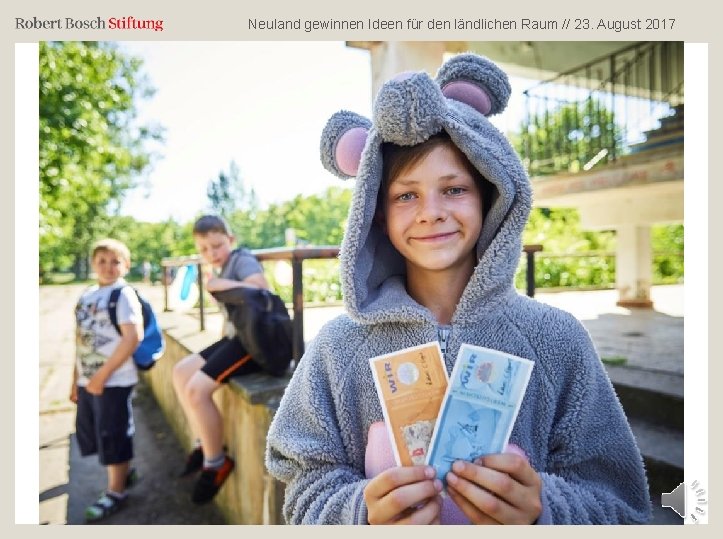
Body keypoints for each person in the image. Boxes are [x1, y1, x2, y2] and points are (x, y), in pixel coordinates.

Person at [265, 53, 652, 525]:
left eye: (454, 189)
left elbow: (624, 507)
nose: (430, 211)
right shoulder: (337, 348)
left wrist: (545, 509)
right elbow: (302, 492)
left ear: (492, 193)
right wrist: (358, 513)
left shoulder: (558, 339)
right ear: (378, 215)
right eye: (406, 195)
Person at [172, 215, 269, 504]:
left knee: (196, 390)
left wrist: (219, 284)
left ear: (231, 240)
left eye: (217, 245)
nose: (212, 253)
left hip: (254, 345)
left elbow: (261, 289)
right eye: (204, 250)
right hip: (234, 339)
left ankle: (216, 463)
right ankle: (204, 442)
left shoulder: (241, 259)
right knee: (180, 372)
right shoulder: (221, 266)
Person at [70, 238, 143, 522]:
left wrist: (101, 376)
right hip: (88, 380)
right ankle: (124, 472)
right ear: (93, 264)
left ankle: (116, 492)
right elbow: (80, 342)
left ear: (126, 265)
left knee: (113, 434)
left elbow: (132, 338)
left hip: (113, 381)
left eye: (116, 261)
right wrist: (75, 379)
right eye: (102, 261)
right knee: (95, 433)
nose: (109, 267)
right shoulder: (87, 295)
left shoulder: (123, 295)